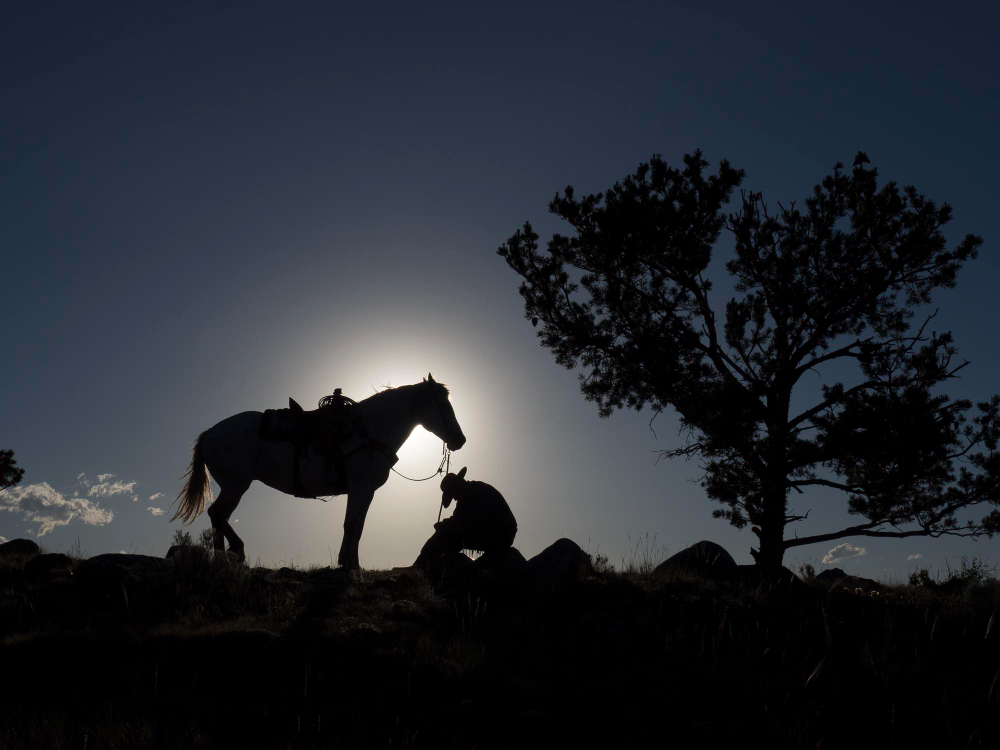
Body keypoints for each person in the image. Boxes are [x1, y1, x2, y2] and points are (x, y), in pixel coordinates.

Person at [413, 467, 517, 568]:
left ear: (458, 486)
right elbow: (459, 519)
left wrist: (445, 525)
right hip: (495, 531)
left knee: (450, 536)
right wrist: (445, 525)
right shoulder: (467, 495)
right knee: (445, 534)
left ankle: (421, 566)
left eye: (453, 494)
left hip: (503, 533)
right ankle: (422, 564)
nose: (454, 498)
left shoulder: (478, 491)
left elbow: (469, 522)